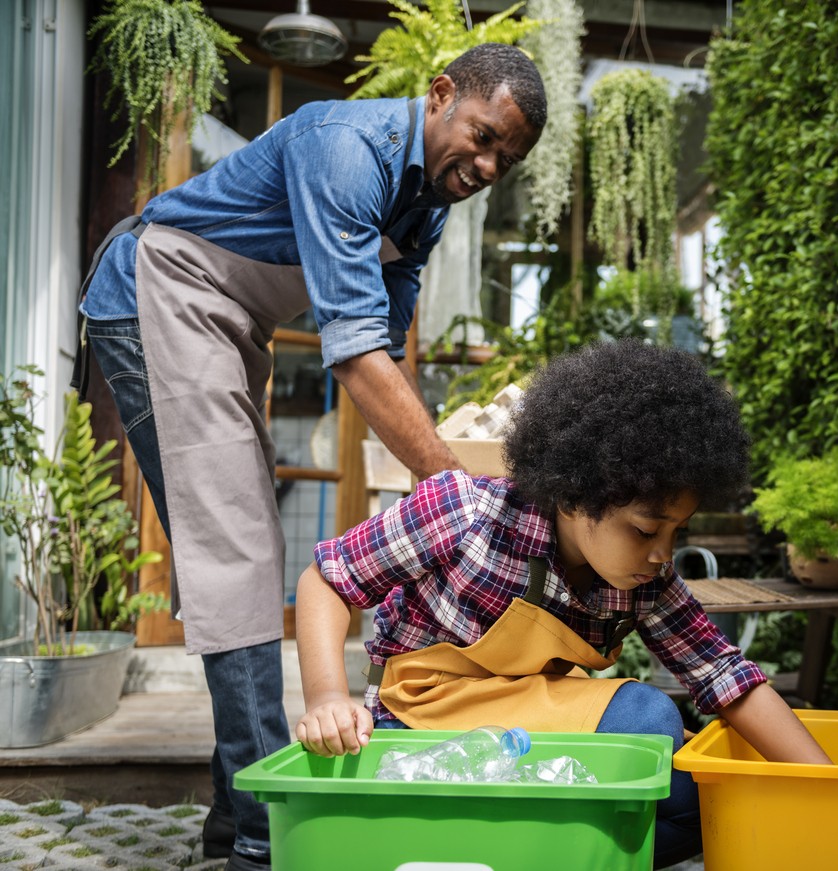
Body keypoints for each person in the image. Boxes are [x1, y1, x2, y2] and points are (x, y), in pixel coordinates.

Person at [72, 43, 546, 871]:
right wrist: (462, 494)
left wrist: (433, 486)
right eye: (480, 136)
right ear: (440, 96)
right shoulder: (345, 147)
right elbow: (354, 353)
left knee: (237, 538)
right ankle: (262, 835)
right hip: (159, 290)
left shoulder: (425, 203)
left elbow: (386, 352)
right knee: (239, 546)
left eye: (504, 158)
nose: (485, 164)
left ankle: (233, 823)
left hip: (226, 321)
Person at [294, 340, 833, 870]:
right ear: (575, 498)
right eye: (646, 528)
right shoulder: (463, 511)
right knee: (644, 721)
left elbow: (722, 673)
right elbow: (327, 580)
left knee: (710, 799)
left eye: (678, 531)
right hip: (419, 728)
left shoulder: (646, 579)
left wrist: (829, 786)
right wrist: (326, 699)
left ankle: (528, 857)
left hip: (528, 740)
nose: (662, 553)